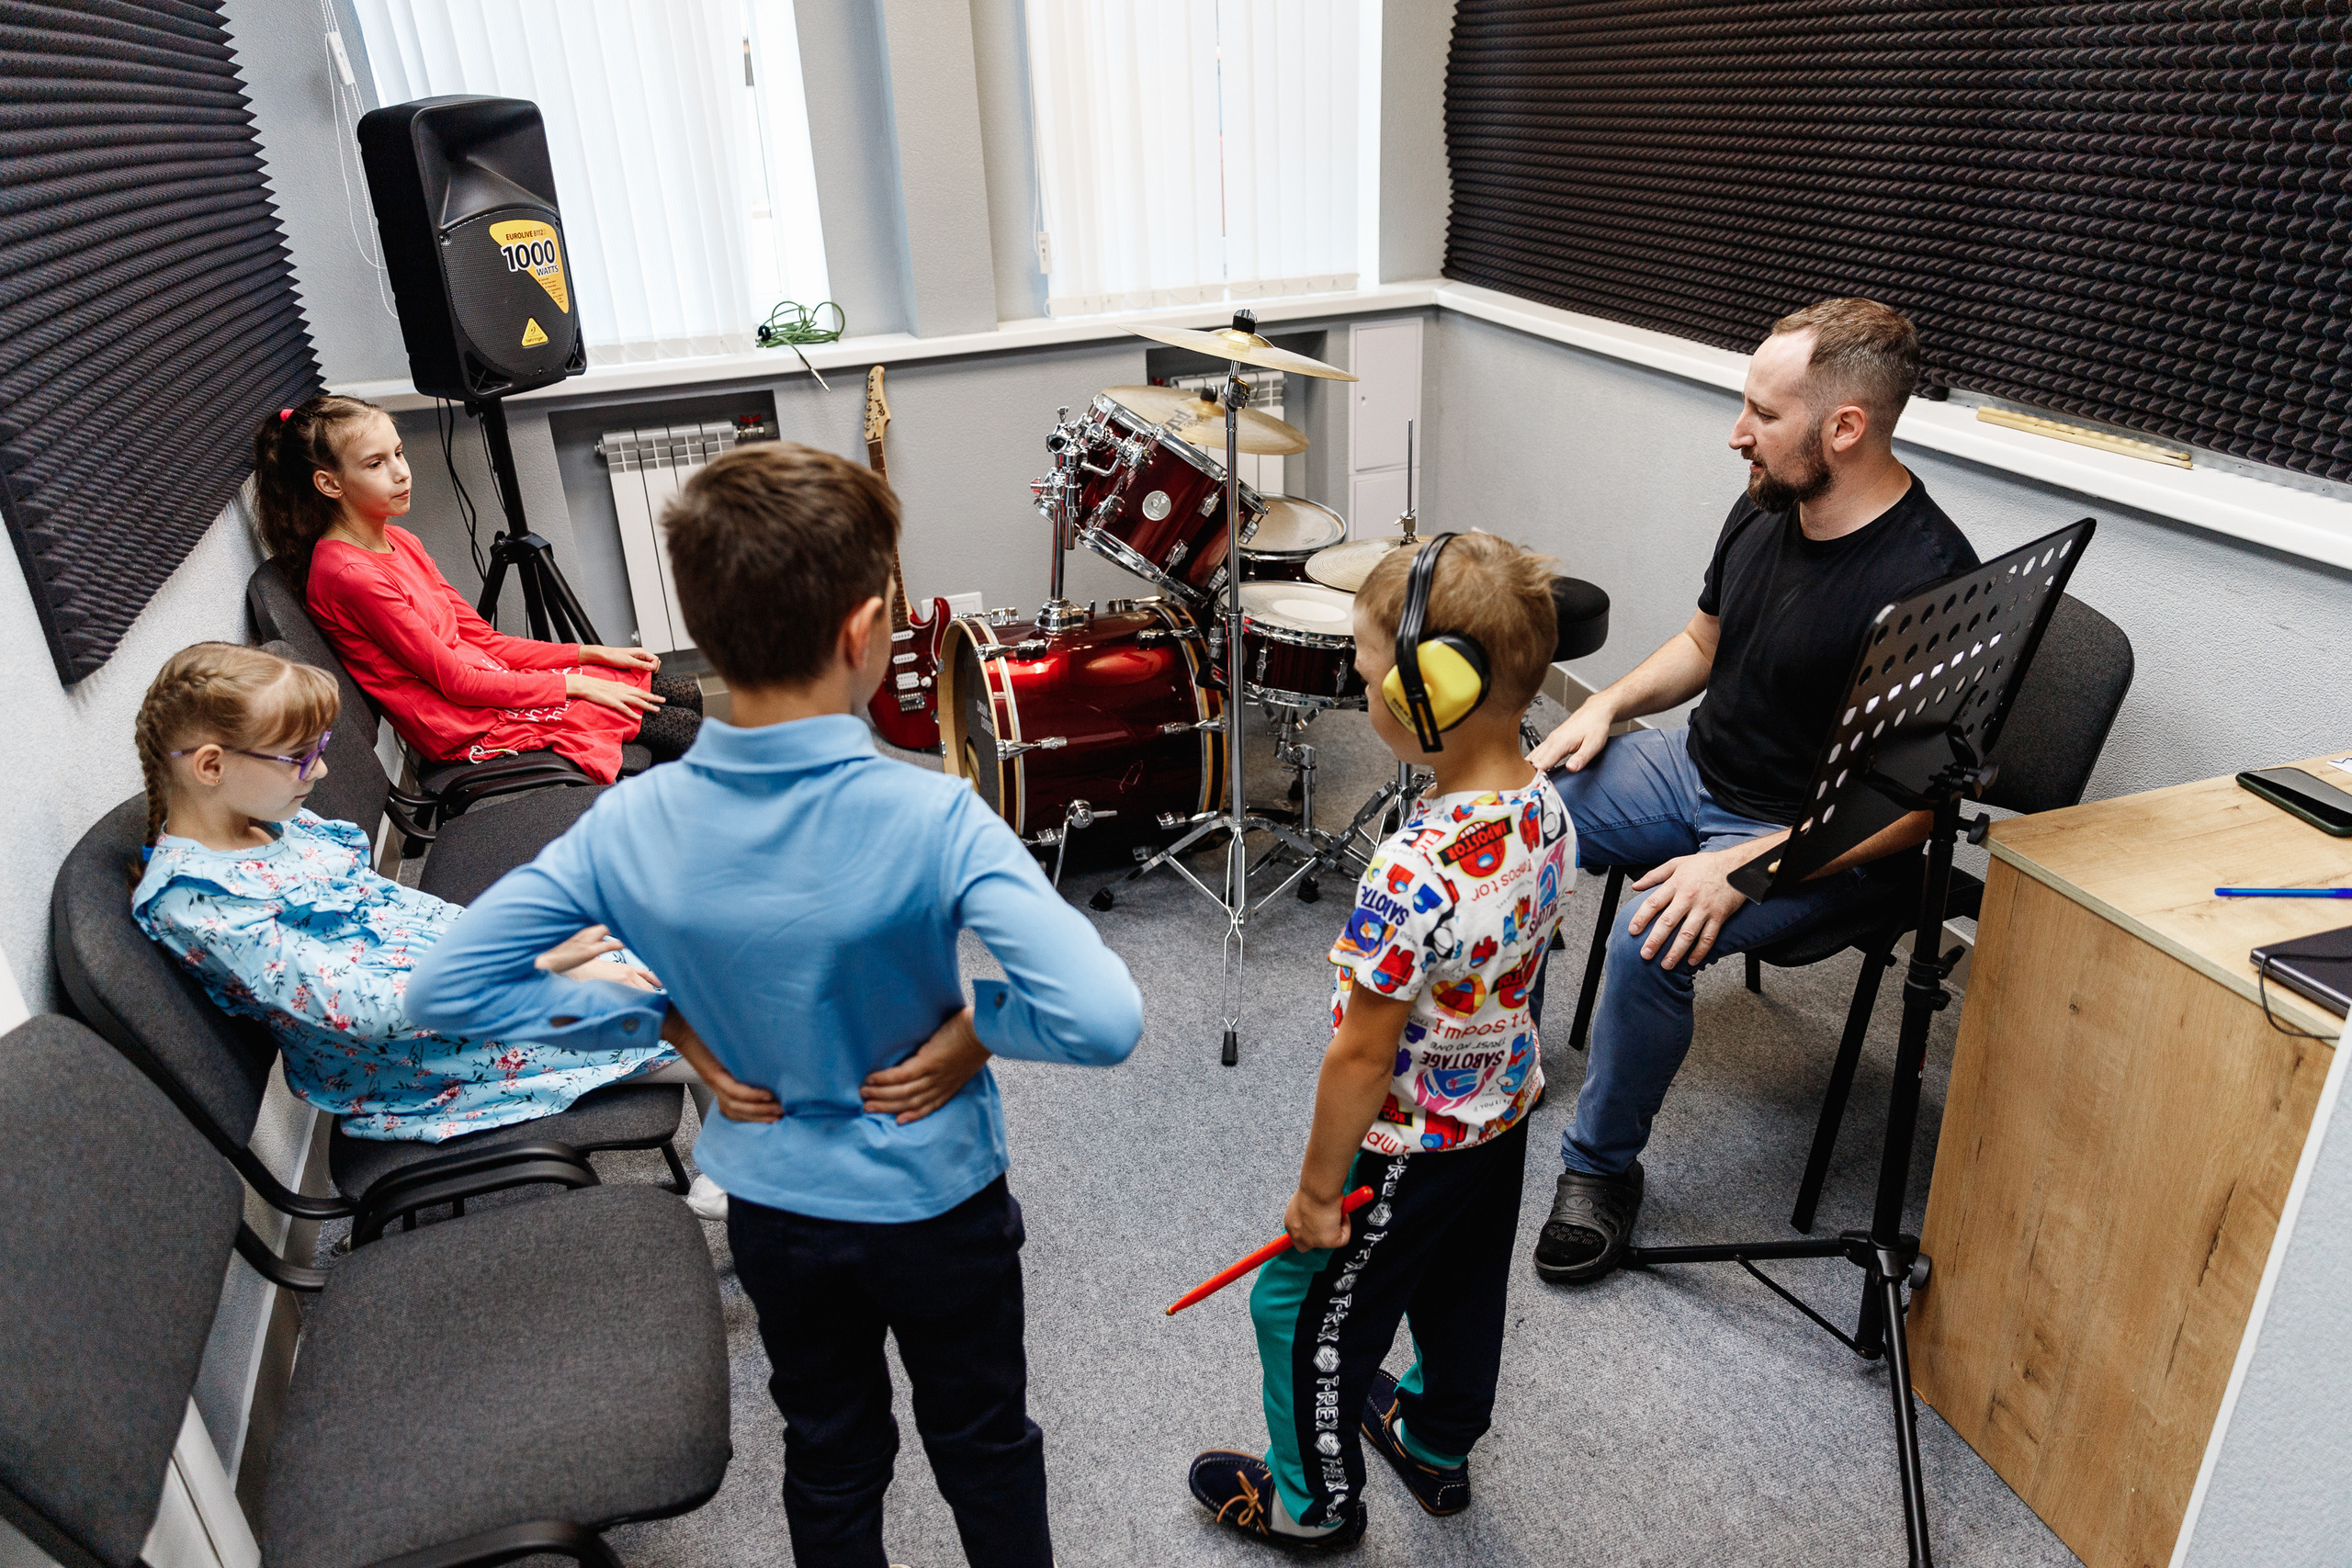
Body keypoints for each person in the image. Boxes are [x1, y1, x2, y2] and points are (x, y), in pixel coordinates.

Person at [405, 441, 1143, 1568]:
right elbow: (1103, 1018)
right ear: (864, 633)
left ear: (701, 629)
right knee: (985, 1442)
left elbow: (445, 990)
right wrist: (978, 1029)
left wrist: (659, 1022)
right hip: (937, 1206)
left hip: (780, 1221)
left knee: (831, 1452)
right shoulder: (935, 819)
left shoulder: (626, 826)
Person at [1523, 297, 1978, 1286]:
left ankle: (1598, 1171)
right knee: (1515, 821)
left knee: (1652, 934)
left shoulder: (1932, 584)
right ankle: (1503, 1050)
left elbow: (1911, 813)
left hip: (1816, 834)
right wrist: (1605, 707)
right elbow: (1701, 644)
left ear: (1844, 428)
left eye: (1762, 415)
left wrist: (1749, 863)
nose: (1739, 435)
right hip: (1694, 764)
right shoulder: (1768, 500)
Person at [1188, 533, 1574, 1552]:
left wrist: (1319, 1194)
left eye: (1366, 672)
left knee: (1299, 1313)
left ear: (1427, 692)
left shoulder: (1413, 871)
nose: (1364, 691)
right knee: (1460, 1290)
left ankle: (1308, 1504)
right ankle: (1436, 1442)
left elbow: (1361, 1056)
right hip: (1500, 1116)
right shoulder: (1547, 809)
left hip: (1404, 1149)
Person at [128, 643, 737, 1218]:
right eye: (299, 757)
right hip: (410, 1052)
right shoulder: (200, 904)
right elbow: (368, 1009)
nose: (320, 770)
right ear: (212, 765)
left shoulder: (264, 822)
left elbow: (395, 909)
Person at [253, 393, 701, 784]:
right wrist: (573, 689)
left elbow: (484, 640)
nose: (402, 473)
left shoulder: (399, 539)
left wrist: (588, 656)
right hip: (461, 721)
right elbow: (455, 682)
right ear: (329, 484)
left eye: (400, 453)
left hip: (486, 685)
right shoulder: (349, 574)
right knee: (678, 725)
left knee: (679, 693)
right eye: (376, 464)